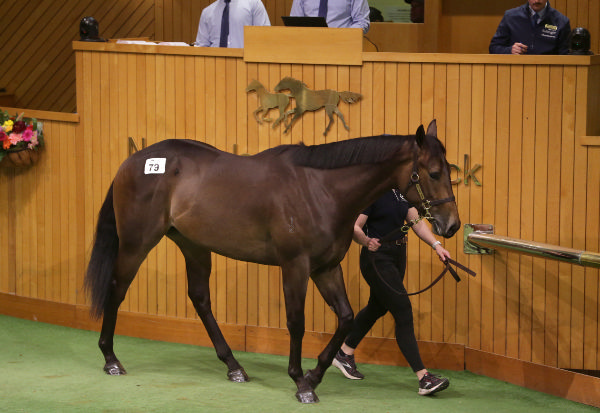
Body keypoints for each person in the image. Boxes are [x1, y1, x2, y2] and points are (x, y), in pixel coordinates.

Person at [332, 189, 451, 396]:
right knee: (403, 311)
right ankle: (424, 378)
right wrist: (366, 241)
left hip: (397, 255)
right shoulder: (373, 192)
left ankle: (344, 353)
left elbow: (416, 222)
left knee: (377, 307)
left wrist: (437, 245)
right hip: (378, 259)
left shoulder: (400, 193)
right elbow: (355, 227)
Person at [489, 0, 571, 55]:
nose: (537, 1)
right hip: (515, 72)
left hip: (548, 74)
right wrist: (509, 51)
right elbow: (494, 48)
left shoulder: (561, 21)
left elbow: (565, 56)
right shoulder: (510, 16)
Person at [195, 0, 270, 48]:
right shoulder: (207, 12)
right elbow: (202, 47)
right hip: (214, 67)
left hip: (246, 66)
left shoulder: (254, 4)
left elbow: (265, 39)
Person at [289, 0, 370, 34]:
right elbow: (294, 22)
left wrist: (342, 36)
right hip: (309, 48)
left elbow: (362, 22)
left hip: (342, 48)